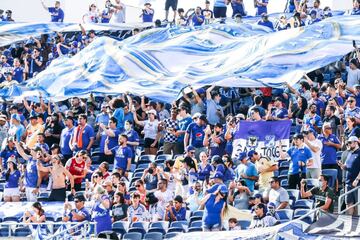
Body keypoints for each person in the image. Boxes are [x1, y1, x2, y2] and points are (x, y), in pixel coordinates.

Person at [338, 136, 360, 215]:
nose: (348, 144)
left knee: (357, 204)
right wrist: (342, 166)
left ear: (356, 142)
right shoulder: (350, 153)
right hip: (348, 182)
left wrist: (357, 179)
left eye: (350, 142)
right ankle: (350, 223)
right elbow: (347, 167)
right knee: (348, 203)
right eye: (348, 143)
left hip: (357, 183)